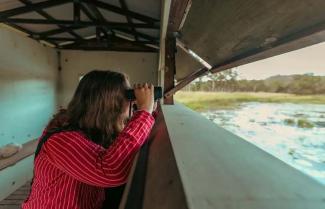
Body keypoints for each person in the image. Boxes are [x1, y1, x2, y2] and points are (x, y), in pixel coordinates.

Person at [22, 70, 157, 209]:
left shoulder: (93, 129)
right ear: (109, 103)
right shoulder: (61, 140)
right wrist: (144, 112)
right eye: (128, 96)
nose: (132, 101)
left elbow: (123, 143)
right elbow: (111, 171)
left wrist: (149, 112)